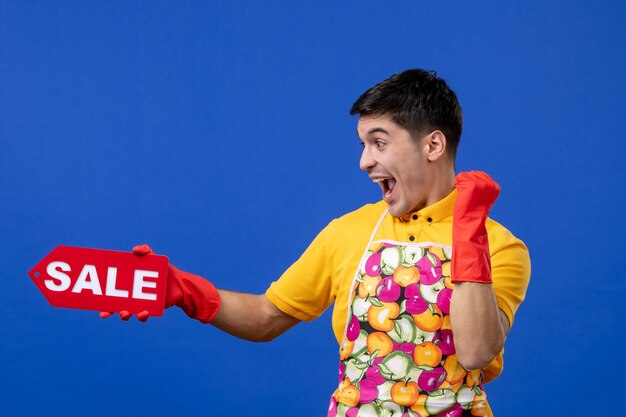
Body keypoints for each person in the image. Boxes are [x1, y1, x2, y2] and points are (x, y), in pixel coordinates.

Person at [102, 69, 531, 417]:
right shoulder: (348, 231)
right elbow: (267, 315)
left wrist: (468, 230)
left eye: (379, 142)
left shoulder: (500, 247)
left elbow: (475, 351)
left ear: (433, 144)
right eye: (363, 145)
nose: (364, 161)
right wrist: (183, 291)